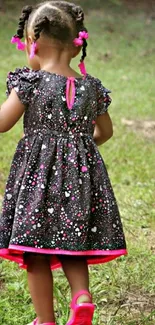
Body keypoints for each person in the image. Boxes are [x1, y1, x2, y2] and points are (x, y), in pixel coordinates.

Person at [0, 1, 127, 325]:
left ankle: (45, 320)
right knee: (74, 242)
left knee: (35, 251)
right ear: (76, 45)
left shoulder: (30, 83)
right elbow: (106, 131)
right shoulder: (91, 87)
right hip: (80, 181)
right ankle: (81, 296)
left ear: (34, 43)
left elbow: (3, 122)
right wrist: (79, 149)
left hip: (36, 182)